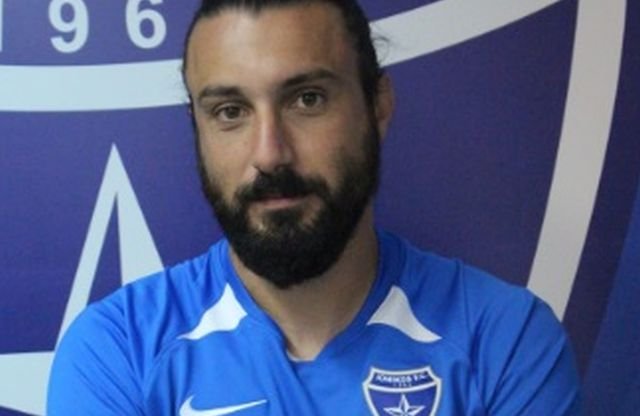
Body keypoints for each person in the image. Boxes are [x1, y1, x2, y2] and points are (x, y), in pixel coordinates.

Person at [47, 0, 582, 414]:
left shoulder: (503, 341)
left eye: (307, 99)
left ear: (378, 106)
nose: (269, 154)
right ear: (198, 128)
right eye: (230, 111)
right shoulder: (118, 351)